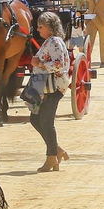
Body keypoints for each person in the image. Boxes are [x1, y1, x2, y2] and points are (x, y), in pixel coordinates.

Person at [27, 11, 72, 172]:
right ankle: (56, 151)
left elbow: (59, 64)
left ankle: (51, 157)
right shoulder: (50, 41)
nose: (38, 30)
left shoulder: (54, 41)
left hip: (53, 87)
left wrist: (39, 64)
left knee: (46, 121)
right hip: (44, 87)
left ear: (50, 28)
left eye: (41, 27)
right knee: (35, 119)